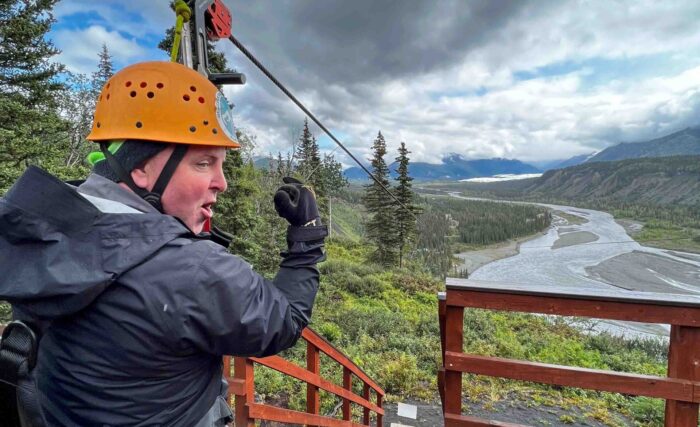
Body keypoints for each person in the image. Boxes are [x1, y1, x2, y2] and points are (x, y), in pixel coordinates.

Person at [0, 61, 327, 426]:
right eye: (204, 163)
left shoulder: (48, 225)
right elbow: (281, 320)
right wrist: (307, 238)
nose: (222, 182)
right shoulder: (191, 271)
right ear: (141, 168)